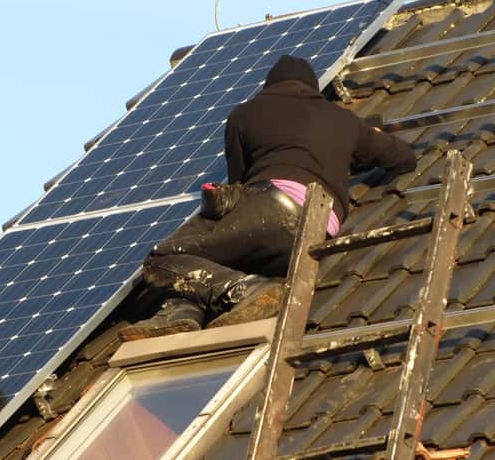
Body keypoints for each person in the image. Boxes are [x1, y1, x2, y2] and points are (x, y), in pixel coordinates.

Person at [119, 55, 416, 341]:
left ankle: (244, 290)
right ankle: (182, 314)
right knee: (215, 258)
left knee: (164, 258)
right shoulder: (344, 120)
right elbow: (404, 158)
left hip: (269, 209)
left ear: (269, 86)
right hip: (319, 229)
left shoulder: (245, 113)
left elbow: (239, 183)